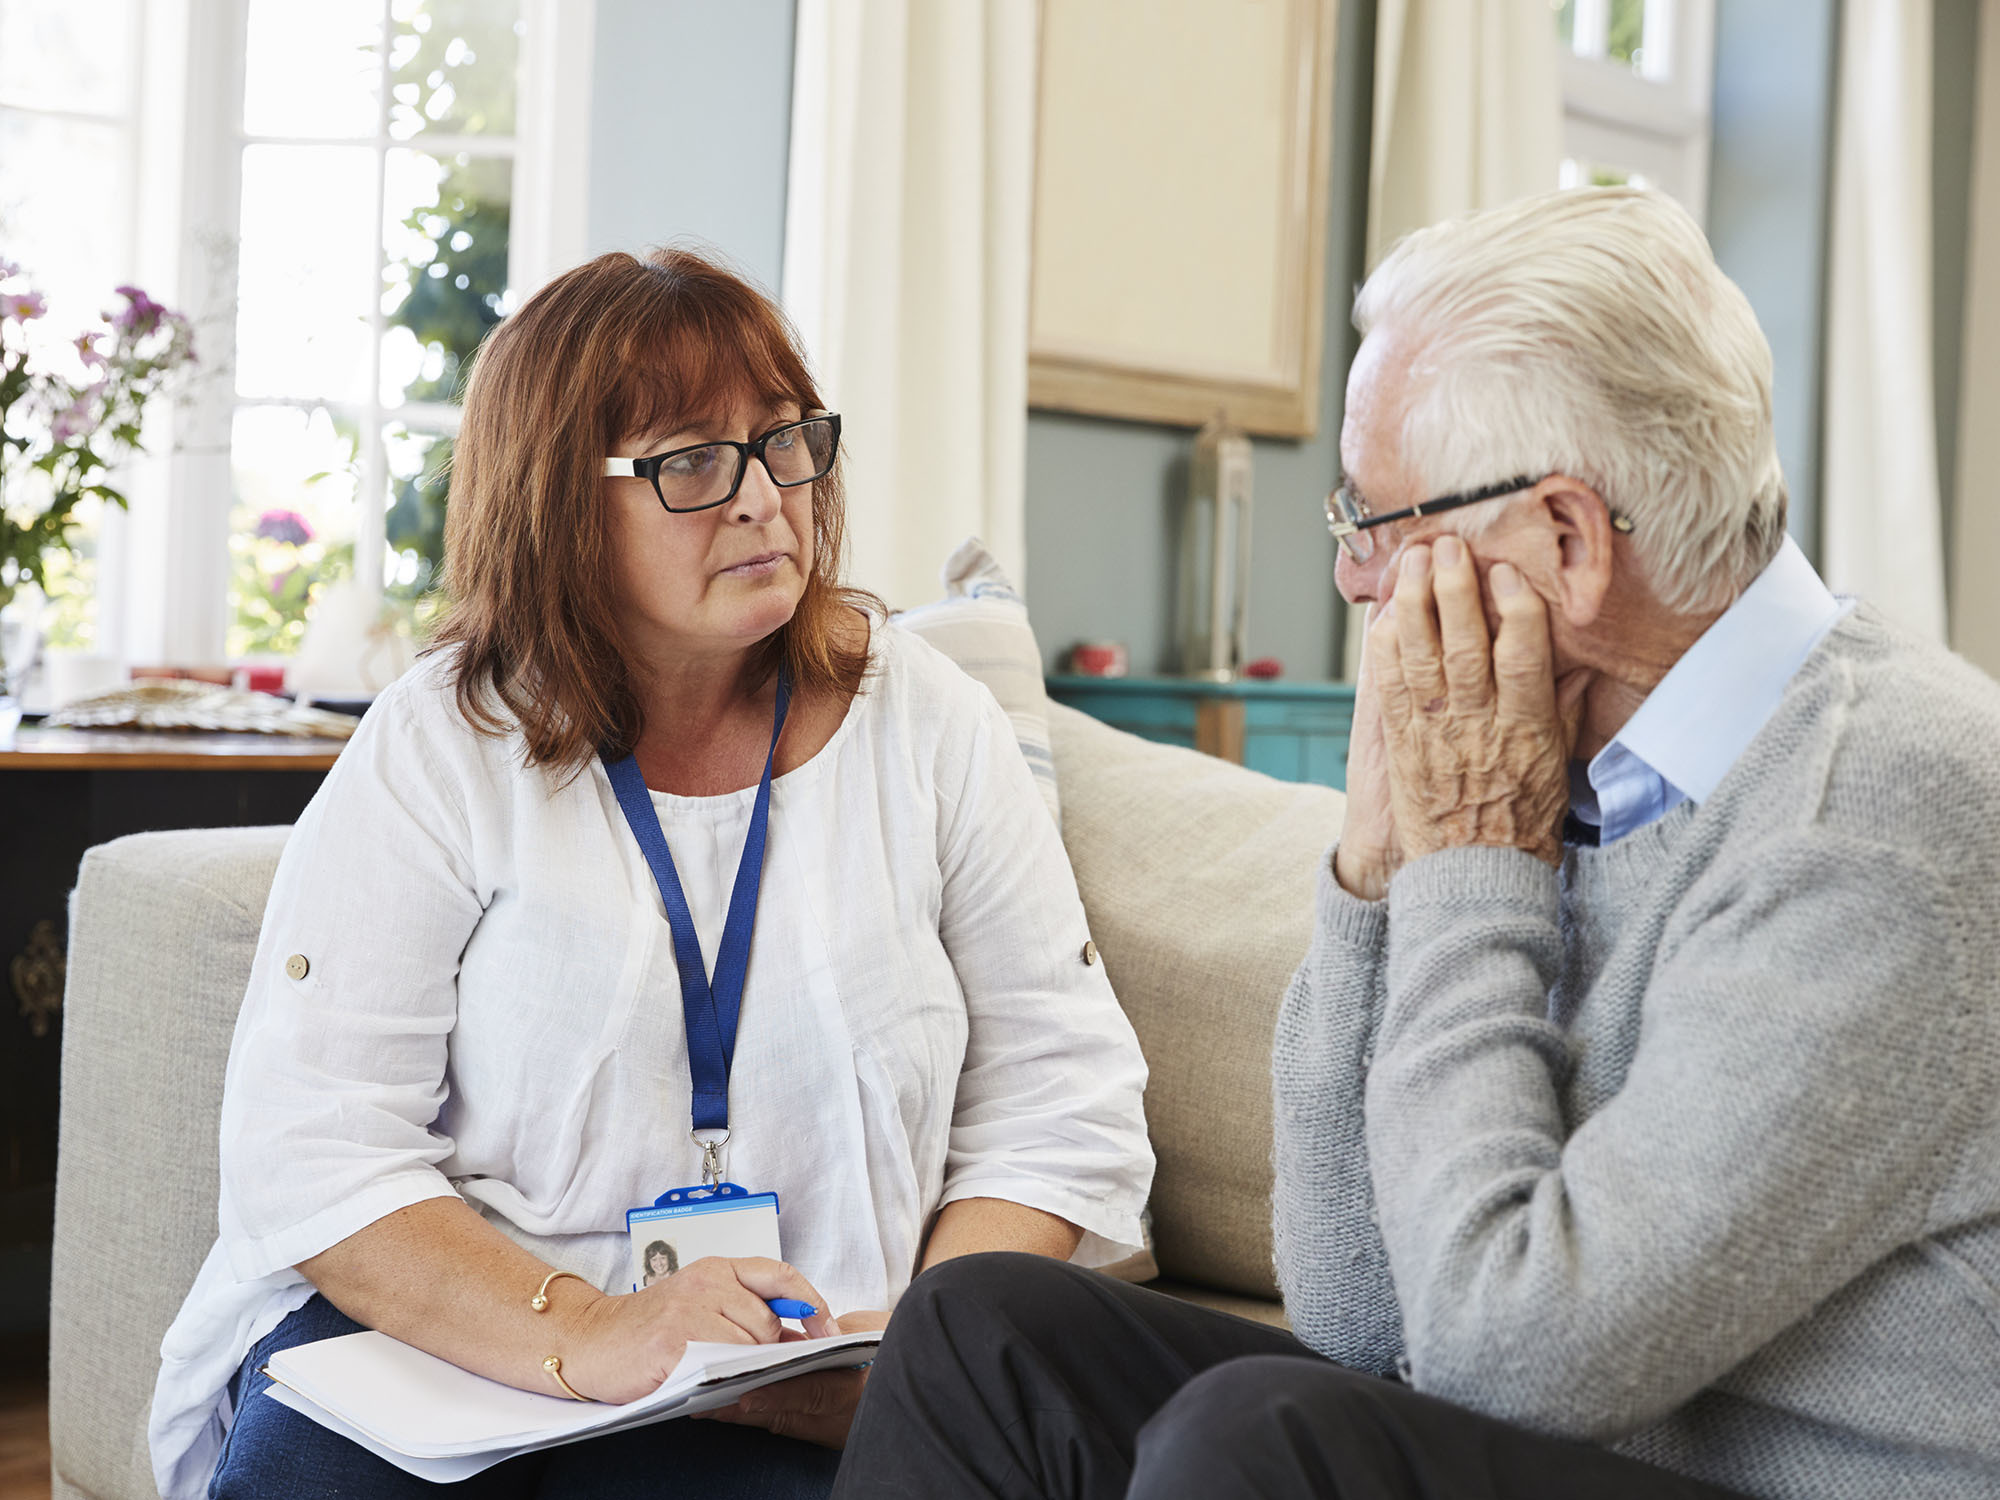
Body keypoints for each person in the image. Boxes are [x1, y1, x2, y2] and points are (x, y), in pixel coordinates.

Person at [828, 187, 2000, 1500]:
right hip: (1579, 1440)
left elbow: (1514, 1359)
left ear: (1563, 539)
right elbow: (1353, 1311)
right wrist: (1374, 879)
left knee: (1260, 1441)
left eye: (1374, 518)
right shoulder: (1570, 758)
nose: (1350, 576)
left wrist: (1471, 868)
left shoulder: (1875, 824)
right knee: (985, 1333)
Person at [147, 248, 1153, 1500]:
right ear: (555, 502)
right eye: (688, 461)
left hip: (822, 1381)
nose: (761, 498)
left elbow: (1060, 1103)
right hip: (469, 1357)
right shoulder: (438, 745)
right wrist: (588, 1331)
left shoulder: (925, 723)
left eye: (783, 441)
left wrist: (919, 1372)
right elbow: (316, 1146)